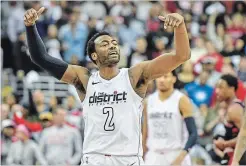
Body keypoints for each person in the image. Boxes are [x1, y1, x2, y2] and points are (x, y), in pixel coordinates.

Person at [24, 7, 190, 165]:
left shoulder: (134, 75)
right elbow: (41, 57)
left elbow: (182, 56)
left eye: (114, 43)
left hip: (128, 159)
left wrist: (180, 26)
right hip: (94, 158)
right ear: (94, 55)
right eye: (104, 44)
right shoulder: (84, 78)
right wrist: (30, 26)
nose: (112, 45)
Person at [142, 71, 198, 165]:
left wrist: (181, 157)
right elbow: (145, 133)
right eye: (159, 77)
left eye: (166, 77)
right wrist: (142, 154)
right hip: (153, 155)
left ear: (174, 79)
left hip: (175, 153)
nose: (161, 80)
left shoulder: (181, 100)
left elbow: (193, 133)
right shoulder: (148, 101)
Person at [212, 74, 246, 165]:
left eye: (221, 87)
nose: (217, 91)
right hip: (232, 156)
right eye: (217, 87)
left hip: (241, 158)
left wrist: (225, 144)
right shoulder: (227, 108)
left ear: (232, 89)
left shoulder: (234, 109)